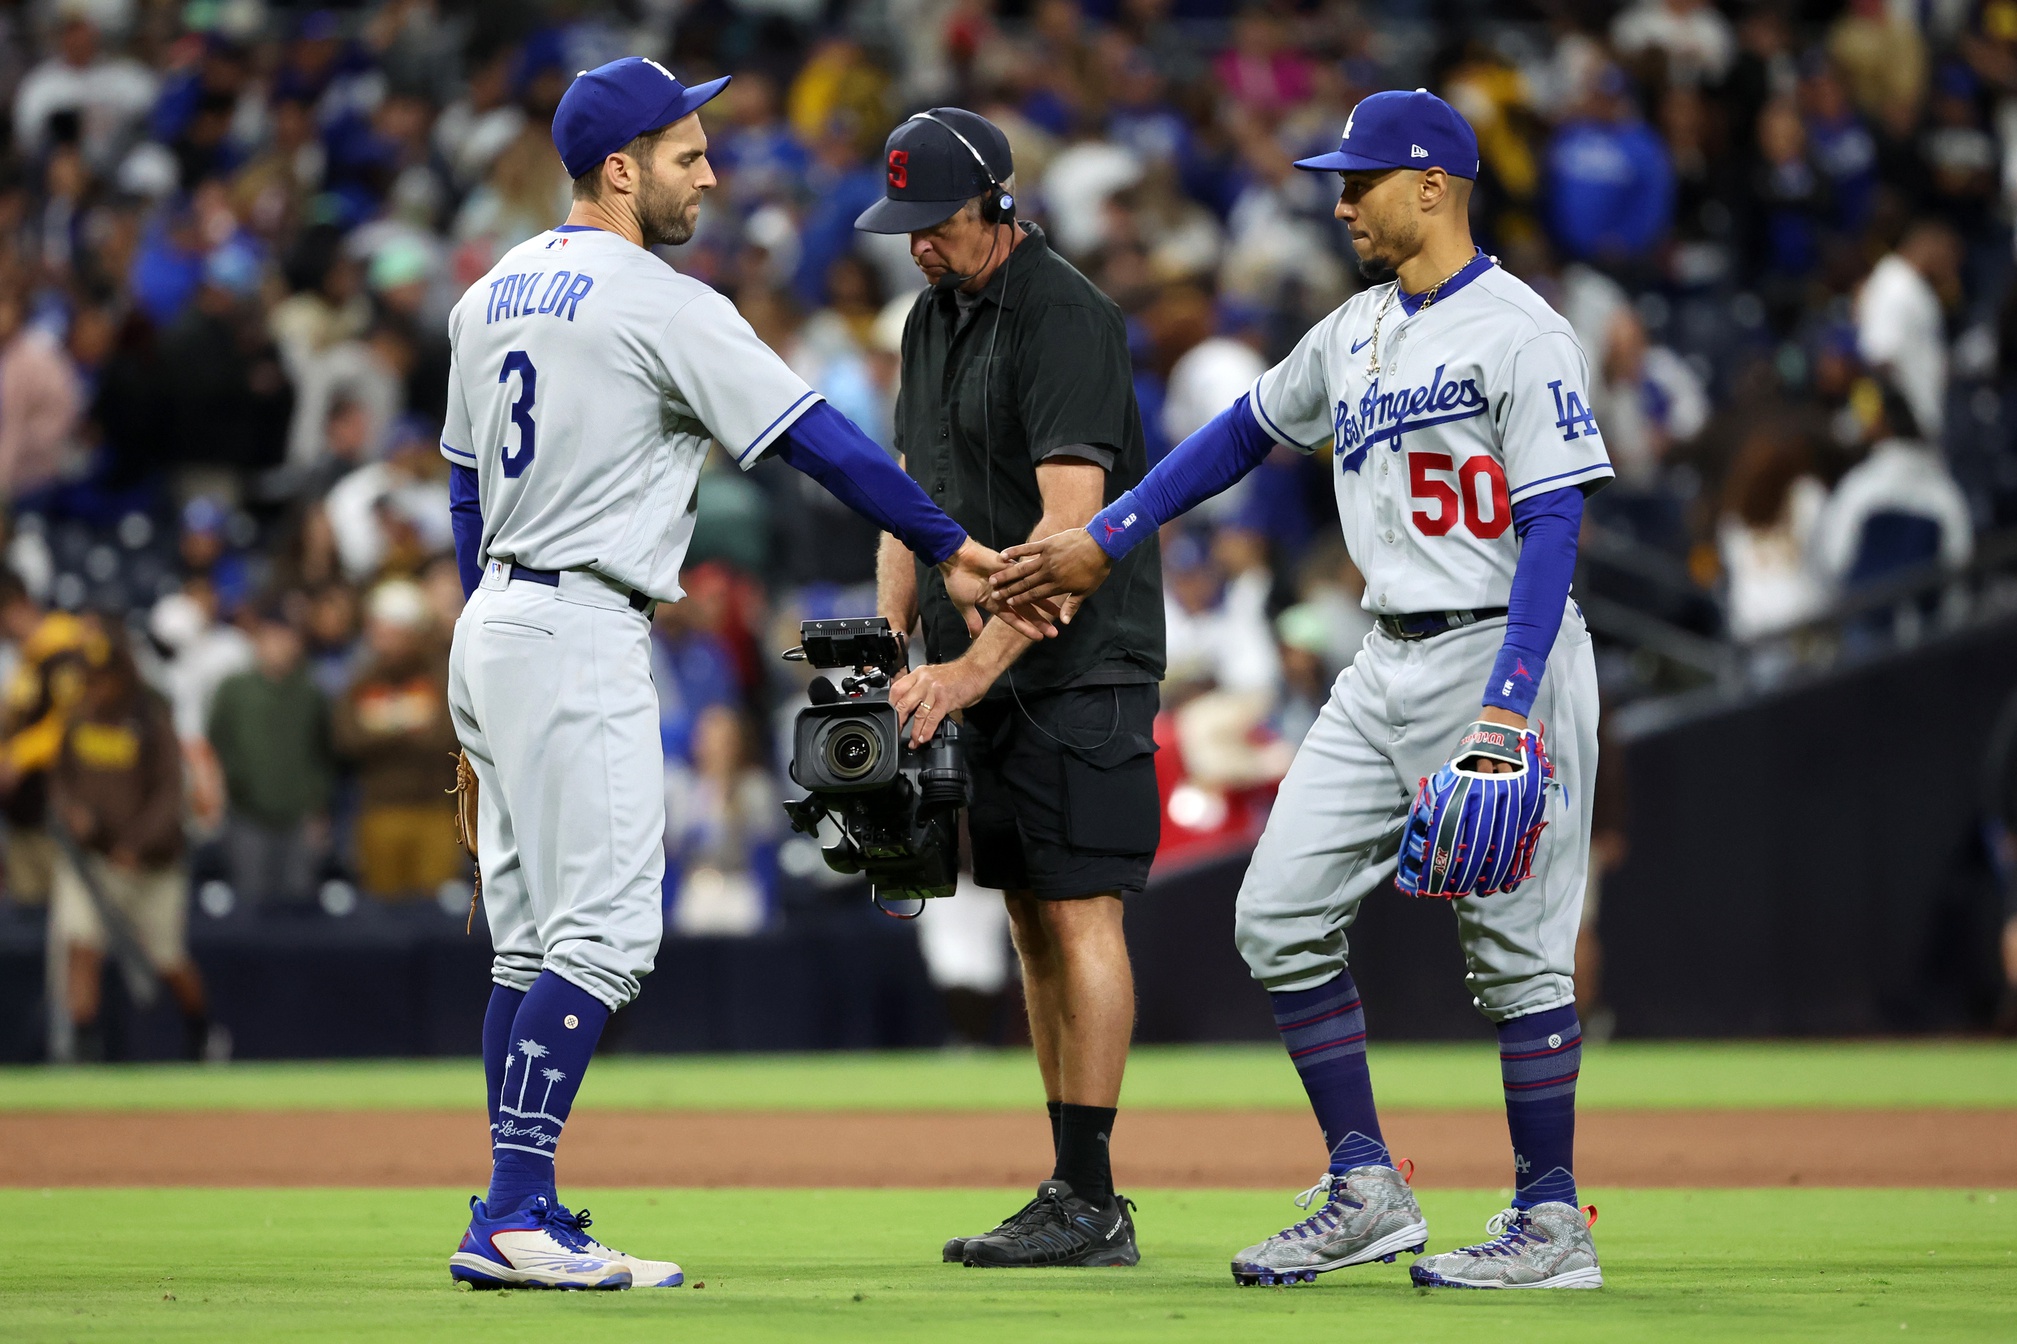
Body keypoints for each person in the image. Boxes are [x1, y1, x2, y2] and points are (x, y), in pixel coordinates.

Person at [993, 88, 1611, 1290]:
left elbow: (1553, 527)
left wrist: (1505, 703)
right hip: (1380, 660)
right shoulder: (1355, 329)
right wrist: (1109, 534)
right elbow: (1240, 432)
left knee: (1520, 960)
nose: (1339, 201)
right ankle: (1365, 1185)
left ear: (1433, 183)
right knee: (1273, 916)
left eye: (1359, 180)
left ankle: (1550, 1224)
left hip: (1500, 653)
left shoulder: (1523, 331)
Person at [440, 59, 1029, 1292]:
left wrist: (477, 670)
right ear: (621, 168)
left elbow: (460, 488)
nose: (710, 170)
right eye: (687, 153)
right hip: (576, 622)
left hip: (495, 615)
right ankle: (511, 1214)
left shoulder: (489, 291)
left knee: (528, 947)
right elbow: (815, 436)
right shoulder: (655, 297)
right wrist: (950, 544)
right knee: (600, 939)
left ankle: (519, 1204)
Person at [854, 106, 1166, 1270]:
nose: (918, 244)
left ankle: (1093, 1197)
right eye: (906, 228)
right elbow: (909, 495)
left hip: (1079, 667)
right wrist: (886, 642)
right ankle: (1067, 1189)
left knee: (1079, 910)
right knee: (1030, 916)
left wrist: (965, 673)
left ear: (995, 203)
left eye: (934, 223)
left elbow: (1067, 543)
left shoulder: (1066, 313)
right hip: (973, 668)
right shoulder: (928, 320)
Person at [48, 634, 222, 1062]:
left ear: (122, 677)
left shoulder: (151, 720)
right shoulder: (78, 718)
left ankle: (202, 1033)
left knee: (166, 957)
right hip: (92, 861)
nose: (95, 688)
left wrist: (135, 843)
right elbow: (60, 780)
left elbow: (169, 795)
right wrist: (69, 811)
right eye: (89, 679)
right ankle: (83, 1046)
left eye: (102, 679)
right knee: (80, 941)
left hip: (152, 865)